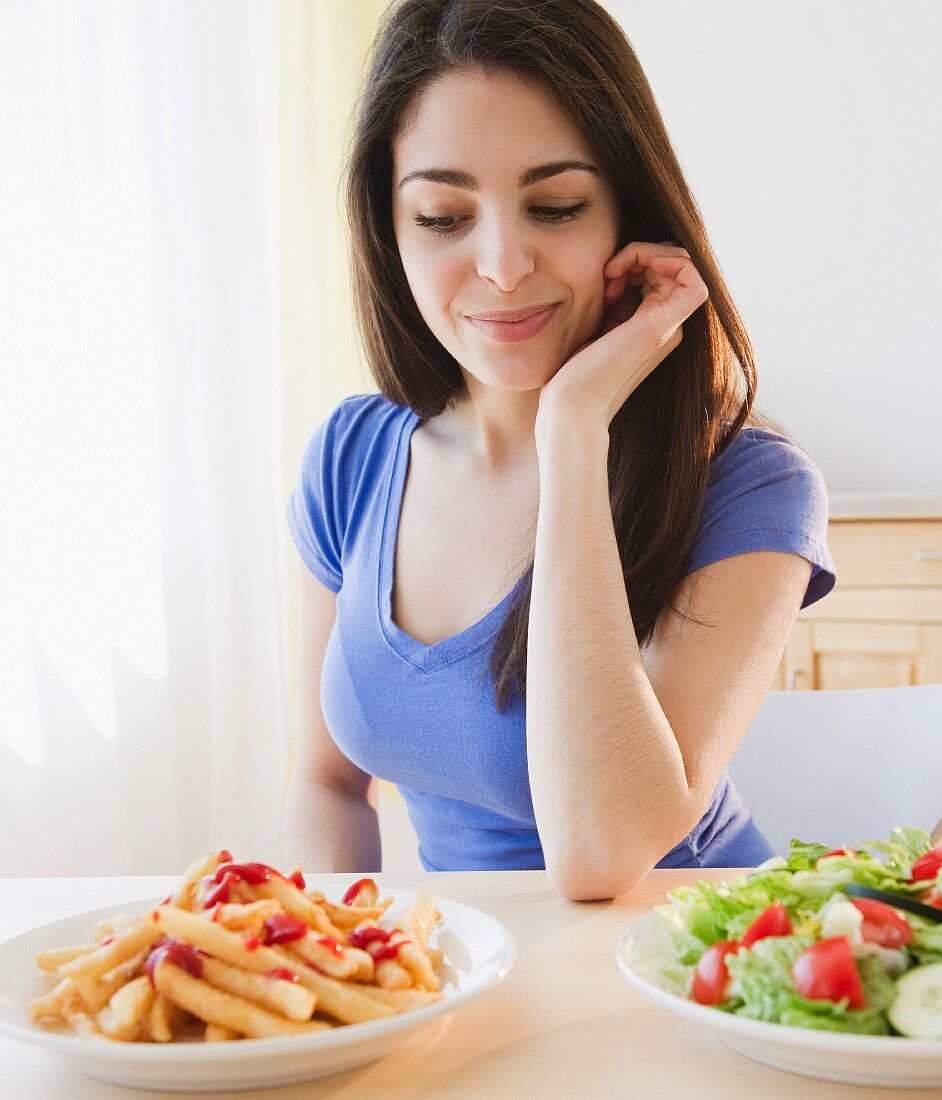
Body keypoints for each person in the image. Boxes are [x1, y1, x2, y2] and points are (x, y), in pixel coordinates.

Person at [279, 0, 836, 900]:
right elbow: (326, 785)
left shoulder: (749, 483)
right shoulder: (351, 456)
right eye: (442, 217)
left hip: (691, 978)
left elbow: (601, 851)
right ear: (389, 230)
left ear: (629, 212)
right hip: (471, 975)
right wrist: (322, 956)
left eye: (556, 206)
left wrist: (573, 428)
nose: (502, 263)